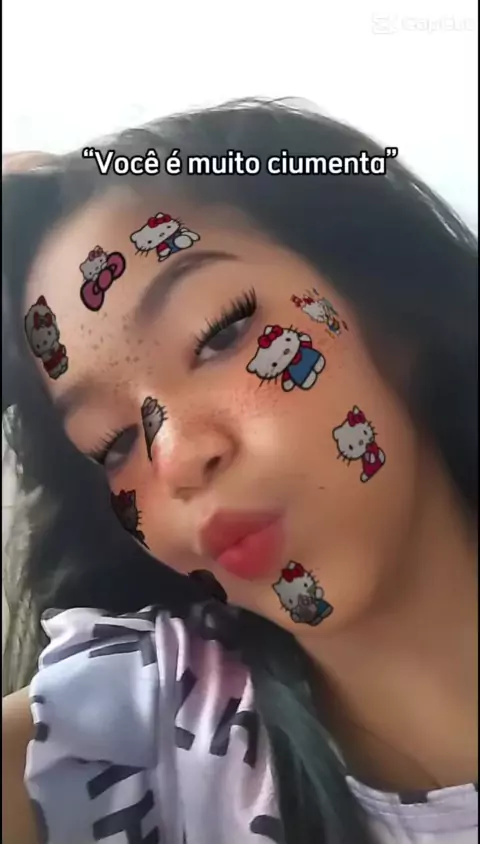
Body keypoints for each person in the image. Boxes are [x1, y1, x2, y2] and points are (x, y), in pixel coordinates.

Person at [1, 99, 478, 844]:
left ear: (388, 304)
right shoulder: (124, 741)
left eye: (218, 332)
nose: (176, 459)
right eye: (111, 444)